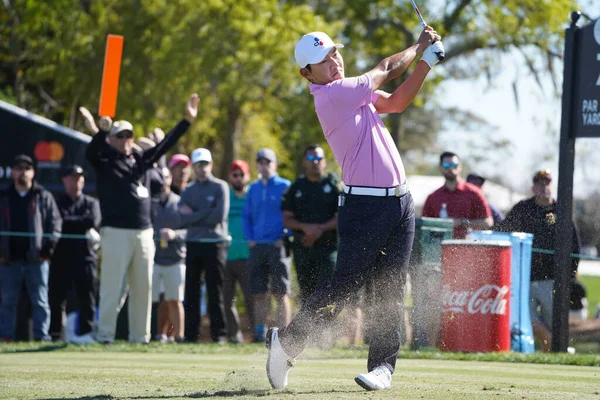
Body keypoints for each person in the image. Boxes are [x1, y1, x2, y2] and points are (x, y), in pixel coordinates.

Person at [266, 28, 444, 391]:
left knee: (391, 286)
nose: (334, 63)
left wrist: (425, 63)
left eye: (335, 55)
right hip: (365, 205)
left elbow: (395, 102)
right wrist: (421, 45)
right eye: (323, 61)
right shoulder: (333, 96)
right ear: (307, 74)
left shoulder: (352, 94)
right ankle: (286, 344)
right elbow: (387, 67)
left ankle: (382, 367)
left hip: (401, 202)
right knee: (344, 285)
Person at [86, 93, 198, 344]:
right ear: (112, 139)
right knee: (112, 287)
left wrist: (186, 121)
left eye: (129, 135)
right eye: (120, 135)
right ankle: (104, 335)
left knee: (144, 289)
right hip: (115, 232)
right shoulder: (105, 160)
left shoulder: (140, 161)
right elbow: (92, 152)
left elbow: (163, 146)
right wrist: (99, 132)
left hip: (144, 233)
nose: (126, 140)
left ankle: (140, 337)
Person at [497, 170, 580, 351]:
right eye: (539, 183)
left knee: (555, 324)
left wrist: (570, 277)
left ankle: (551, 353)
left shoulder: (561, 211)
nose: (543, 187)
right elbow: (503, 231)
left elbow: (575, 247)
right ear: (533, 187)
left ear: (552, 186)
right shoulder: (522, 208)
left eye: (546, 183)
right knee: (528, 319)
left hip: (552, 279)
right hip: (524, 277)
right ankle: (554, 346)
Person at [0, 154, 62, 341]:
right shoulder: (3, 196)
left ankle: (41, 338)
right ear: (12, 172)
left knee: (40, 302)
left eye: (27, 168)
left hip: (37, 259)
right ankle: (5, 338)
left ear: (33, 172)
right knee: (7, 302)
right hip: (9, 259)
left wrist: (47, 250)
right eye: (19, 168)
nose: (23, 172)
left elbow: (55, 224)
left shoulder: (43, 196)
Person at [180, 148, 230, 344]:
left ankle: (220, 335)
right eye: (199, 165)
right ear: (194, 166)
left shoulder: (220, 187)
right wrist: (205, 212)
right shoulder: (188, 189)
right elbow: (183, 218)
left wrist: (195, 215)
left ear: (211, 164)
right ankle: (191, 335)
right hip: (193, 244)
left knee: (215, 291)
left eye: (206, 164)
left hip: (215, 245)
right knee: (191, 292)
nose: (202, 168)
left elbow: (218, 217)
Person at [243, 148, 291, 343]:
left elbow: (293, 214)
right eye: (260, 162)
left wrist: (286, 235)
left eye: (267, 162)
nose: (264, 166)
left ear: (275, 164)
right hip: (258, 246)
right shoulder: (253, 188)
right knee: (259, 293)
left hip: (278, 246)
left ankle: (286, 335)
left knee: (281, 293)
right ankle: (259, 333)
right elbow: (246, 216)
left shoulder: (285, 186)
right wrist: (250, 238)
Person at [49, 165, 101, 344]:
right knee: (57, 299)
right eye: (73, 177)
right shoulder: (57, 201)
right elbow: (58, 222)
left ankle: (86, 335)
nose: (77, 181)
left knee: (87, 298)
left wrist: (69, 221)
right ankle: (55, 335)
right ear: (64, 180)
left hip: (85, 258)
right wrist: (80, 222)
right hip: (60, 259)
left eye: (80, 177)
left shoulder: (91, 203)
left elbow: (93, 220)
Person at [281, 145, 339, 304]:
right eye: (311, 158)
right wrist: (306, 228)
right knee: (306, 295)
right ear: (304, 162)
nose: (315, 162)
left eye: (319, 158)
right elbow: (286, 219)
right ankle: (308, 329)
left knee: (327, 293)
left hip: (328, 249)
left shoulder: (334, 186)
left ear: (324, 162)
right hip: (303, 249)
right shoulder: (296, 187)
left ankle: (328, 329)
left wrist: (320, 229)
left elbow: (342, 216)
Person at [151, 168, 187, 343]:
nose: (162, 180)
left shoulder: (180, 202)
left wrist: (175, 235)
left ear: (170, 179)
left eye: (165, 177)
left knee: (175, 299)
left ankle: (179, 337)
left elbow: (190, 230)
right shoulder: (151, 203)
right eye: (159, 177)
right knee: (159, 300)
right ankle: (160, 336)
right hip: (155, 259)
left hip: (175, 259)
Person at [422, 152, 493, 238]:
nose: (451, 168)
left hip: (468, 246)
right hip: (438, 246)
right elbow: (423, 225)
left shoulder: (474, 193)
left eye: (454, 165)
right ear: (441, 168)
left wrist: (462, 222)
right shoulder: (433, 197)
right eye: (446, 165)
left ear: (460, 166)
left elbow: (488, 222)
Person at [223, 160, 255, 343]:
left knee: (251, 298)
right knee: (227, 300)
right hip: (226, 256)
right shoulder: (225, 195)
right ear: (230, 177)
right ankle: (234, 336)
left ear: (247, 176)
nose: (238, 178)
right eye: (234, 174)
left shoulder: (252, 195)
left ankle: (256, 335)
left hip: (247, 256)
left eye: (241, 174)